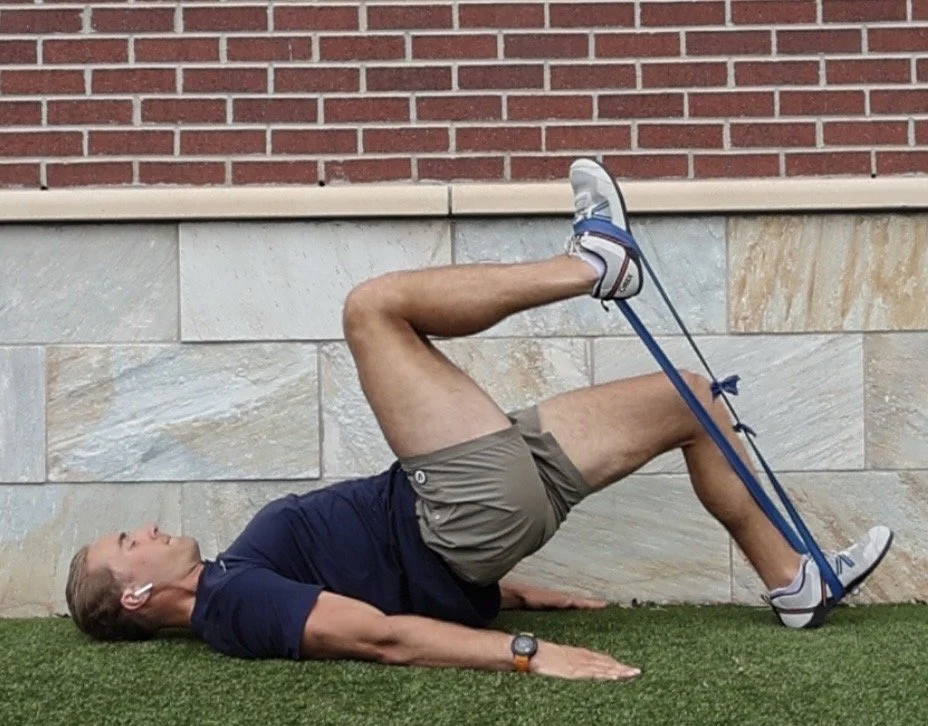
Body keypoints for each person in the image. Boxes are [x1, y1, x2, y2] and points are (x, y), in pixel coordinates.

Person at [65, 159, 893, 681]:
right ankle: (592, 265)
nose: (141, 527)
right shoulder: (236, 608)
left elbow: (377, 574)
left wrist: (524, 596)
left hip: (467, 519)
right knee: (373, 309)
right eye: (125, 544)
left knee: (692, 400)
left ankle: (795, 584)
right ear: (136, 593)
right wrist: (525, 654)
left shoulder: (236, 576)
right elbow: (380, 635)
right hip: (460, 511)